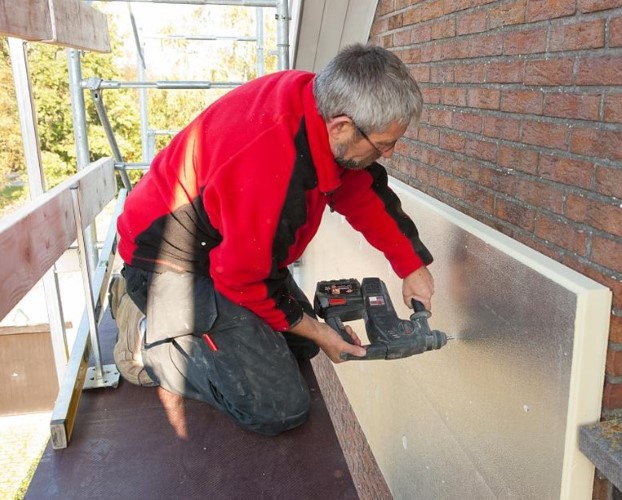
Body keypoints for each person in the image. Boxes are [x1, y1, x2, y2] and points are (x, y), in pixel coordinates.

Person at [110, 43, 434, 435]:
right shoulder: (272, 168)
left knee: (301, 346)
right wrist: (318, 329)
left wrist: (411, 266)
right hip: (167, 265)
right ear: (342, 126)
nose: (390, 153)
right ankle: (152, 344)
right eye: (383, 144)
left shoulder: (319, 106)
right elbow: (240, 279)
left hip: (229, 246)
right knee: (279, 408)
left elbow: (363, 191)